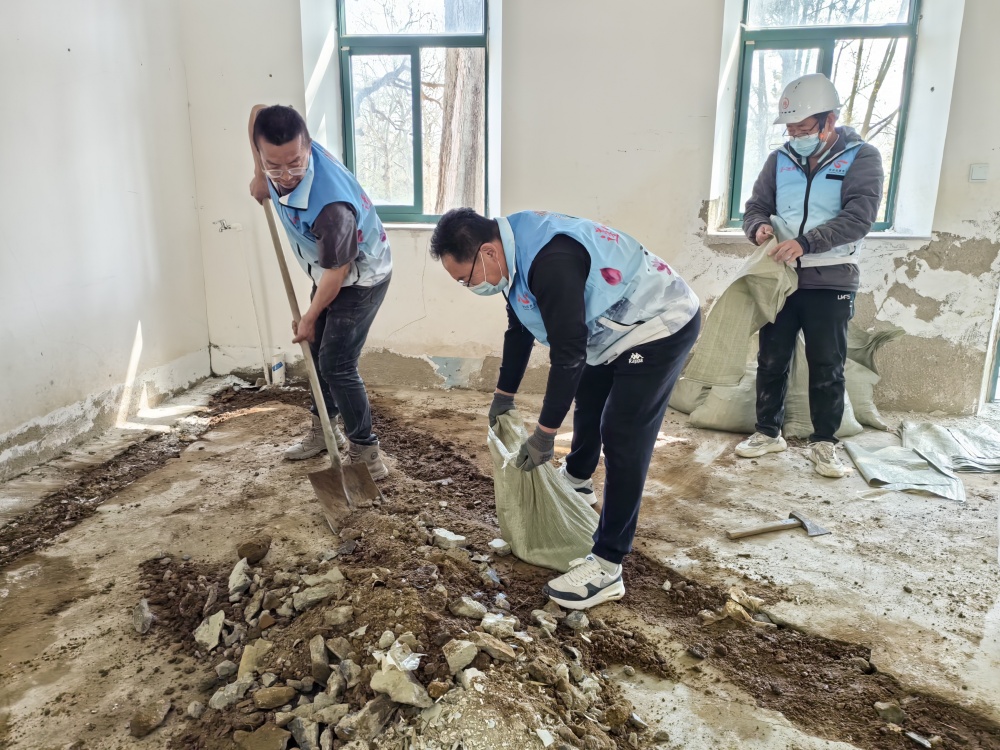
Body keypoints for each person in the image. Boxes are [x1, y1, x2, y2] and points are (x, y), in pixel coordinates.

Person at [430, 208, 701, 610]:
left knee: (623, 433)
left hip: (658, 323)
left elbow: (568, 355)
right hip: (610, 330)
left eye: (465, 279)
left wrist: (545, 434)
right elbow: (520, 327)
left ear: (487, 253)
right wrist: (504, 394)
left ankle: (607, 565)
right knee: (589, 397)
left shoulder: (550, 261)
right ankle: (577, 480)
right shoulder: (513, 256)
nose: (469, 287)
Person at [736, 74, 884, 478]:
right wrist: (758, 228)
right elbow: (756, 206)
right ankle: (768, 433)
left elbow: (859, 217)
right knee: (771, 360)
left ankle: (824, 443)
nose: (796, 136)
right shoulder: (779, 159)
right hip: (780, 277)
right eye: (791, 129)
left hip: (830, 279)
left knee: (826, 365)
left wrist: (807, 242)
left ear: (829, 120)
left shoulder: (862, 157)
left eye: (804, 128)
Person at [247, 104, 391, 479]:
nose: (286, 176)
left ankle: (366, 452)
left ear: (309, 146)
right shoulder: (280, 155)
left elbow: (337, 272)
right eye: (274, 165)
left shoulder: (332, 208)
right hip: (326, 267)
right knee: (317, 353)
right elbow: (257, 112)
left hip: (361, 276)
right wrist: (259, 175)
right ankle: (324, 431)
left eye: (295, 164)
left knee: (336, 363)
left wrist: (309, 317)